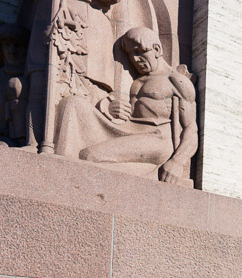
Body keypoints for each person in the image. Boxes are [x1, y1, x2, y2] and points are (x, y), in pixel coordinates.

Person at [54, 26, 198, 184]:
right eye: (130, 54)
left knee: (89, 156)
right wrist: (110, 108)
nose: (135, 59)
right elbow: (127, 117)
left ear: (156, 49)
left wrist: (177, 162)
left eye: (138, 52)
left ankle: (63, 181)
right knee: (73, 103)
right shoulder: (137, 83)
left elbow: (191, 129)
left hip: (156, 139)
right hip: (128, 132)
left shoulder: (176, 81)